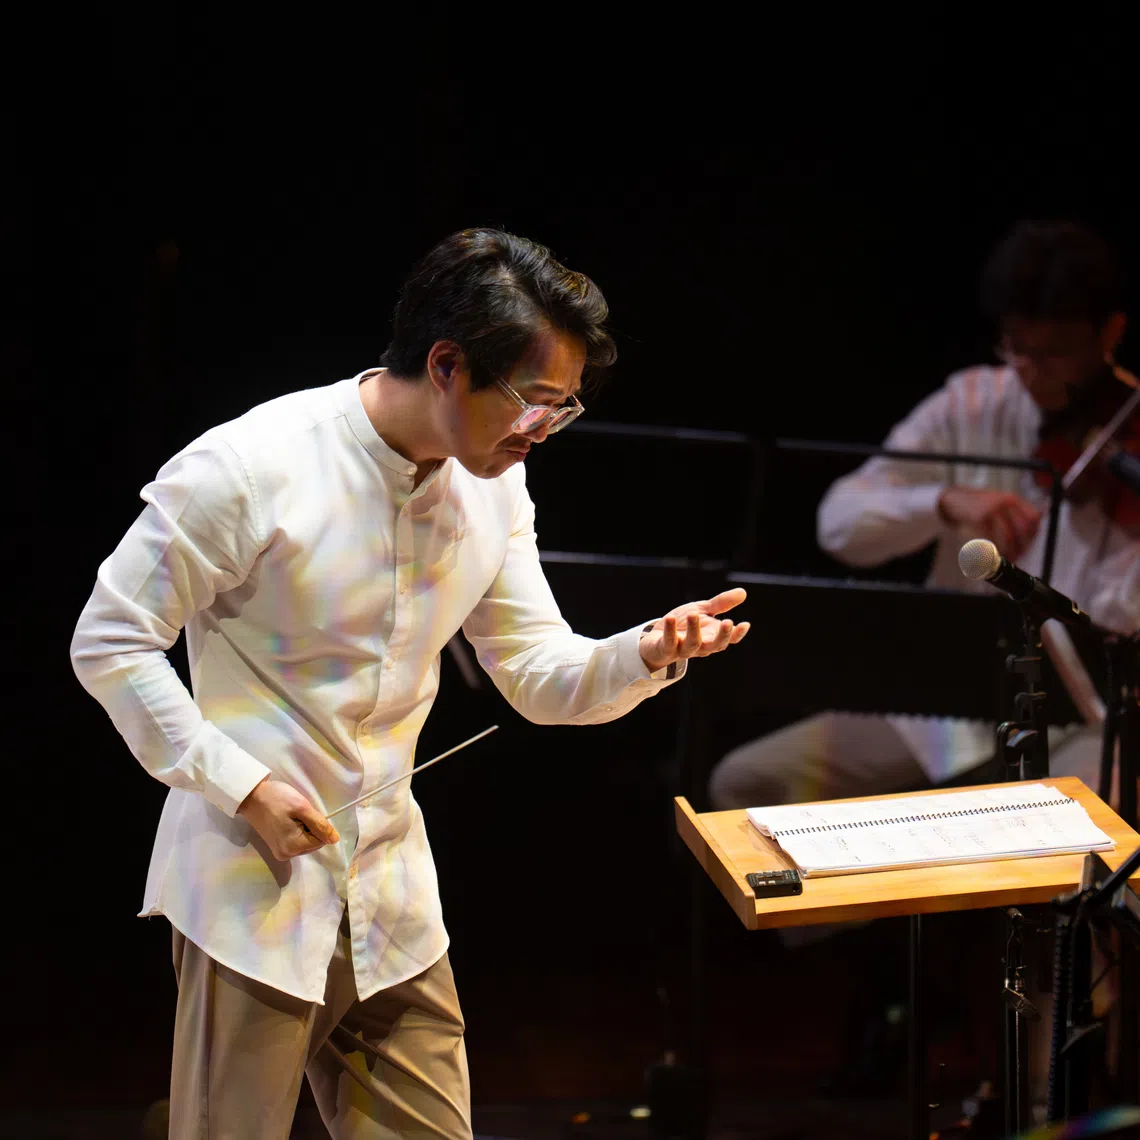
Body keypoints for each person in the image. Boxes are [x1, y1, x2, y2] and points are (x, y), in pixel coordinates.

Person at [71, 228, 751, 1140]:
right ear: (446, 365)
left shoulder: (494, 489)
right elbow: (110, 641)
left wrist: (649, 652)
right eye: (534, 403)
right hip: (254, 886)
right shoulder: (250, 468)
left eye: (563, 410)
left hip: (390, 893)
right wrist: (245, 784)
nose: (541, 432)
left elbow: (535, 674)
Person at [709, 219, 1139, 813]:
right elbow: (839, 525)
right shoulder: (973, 401)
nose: (1032, 372)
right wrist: (941, 500)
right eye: (1018, 347)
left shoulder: (1129, 440)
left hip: (1094, 720)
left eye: (1056, 352)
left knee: (1066, 828)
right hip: (951, 709)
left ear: (1110, 332)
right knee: (751, 783)